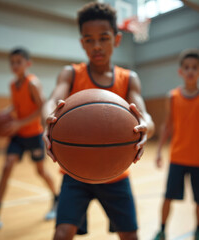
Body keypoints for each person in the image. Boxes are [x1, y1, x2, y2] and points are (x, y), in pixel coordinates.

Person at [43, 2, 155, 240]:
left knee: (131, 236)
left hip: (116, 174)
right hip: (74, 174)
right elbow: (51, 101)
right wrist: (48, 120)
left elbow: (146, 117)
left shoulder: (128, 78)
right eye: (89, 39)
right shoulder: (70, 74)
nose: (96, 46)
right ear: (82, 42)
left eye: (103, 38)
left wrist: (146, 129)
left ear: (116, 39)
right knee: (62, 233)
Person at [0, 48, 59, 237]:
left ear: (27, 64)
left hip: (33, 135)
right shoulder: (13, 85)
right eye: (12, 62)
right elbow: (17, 105)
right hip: (18, 136)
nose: (15, 65)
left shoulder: (33, 83)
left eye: (18, 62)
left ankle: (56, 199)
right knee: (6, 167)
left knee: (40, 171)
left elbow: (42, 108)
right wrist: (3, 113)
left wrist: (19, 123)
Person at [153, 49, 199, 240]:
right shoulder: (172, 97)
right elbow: (167, 126)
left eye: (194, 68)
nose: (190, 71)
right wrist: (158, 151)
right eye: (186, 67)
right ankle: (162, 229)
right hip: (178, 157)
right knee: (168, 197)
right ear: (180, 71)